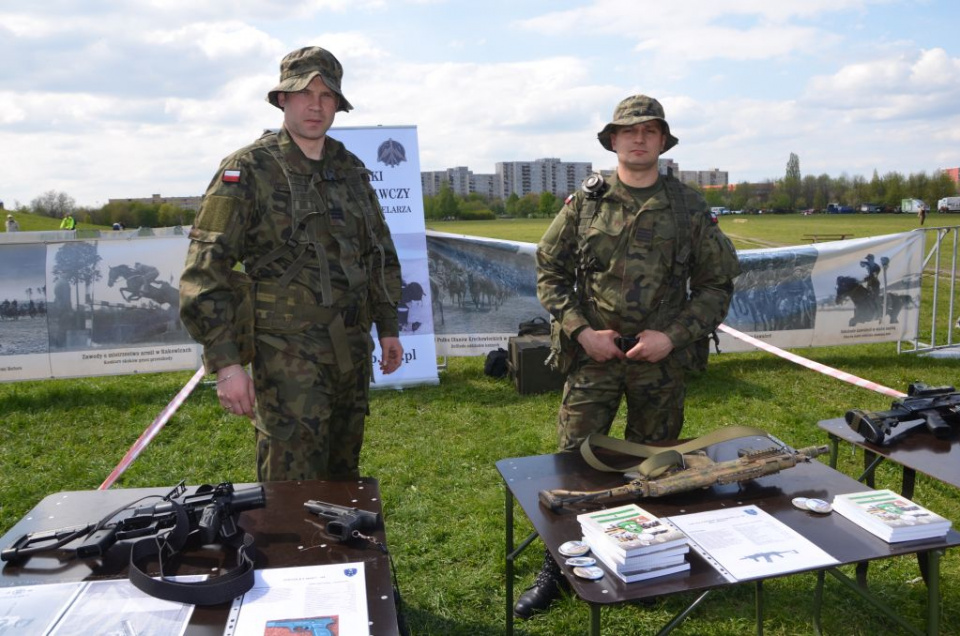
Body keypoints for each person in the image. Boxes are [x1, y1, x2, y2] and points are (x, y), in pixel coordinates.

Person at [514, 95, 741, 618]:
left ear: (663, 141)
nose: (639, 139)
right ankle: (560, 564)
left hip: (659, 364)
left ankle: (648, 563)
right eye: (628, 131)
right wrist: (580, 330)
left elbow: (716, 283)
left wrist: (675, 335)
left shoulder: (687, 208)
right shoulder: (586, 203)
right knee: (573, 464)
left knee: (655, 465)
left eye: (650, 131)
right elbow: (549, 274)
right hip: (593, 358)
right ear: (612, 140)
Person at [179, 46, 404, 482]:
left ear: (338, 102)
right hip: (287, 359)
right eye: (304, 93)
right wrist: (226, 364)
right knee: (289, 492)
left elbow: (378, 253)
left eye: (326, 95)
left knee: (343, 481)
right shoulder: (248, 169)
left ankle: (341, 555)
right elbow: (205, 271)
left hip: (350, 354)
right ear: (283, 99)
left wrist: (388, 325)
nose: (315, 105)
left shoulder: (351, 169)